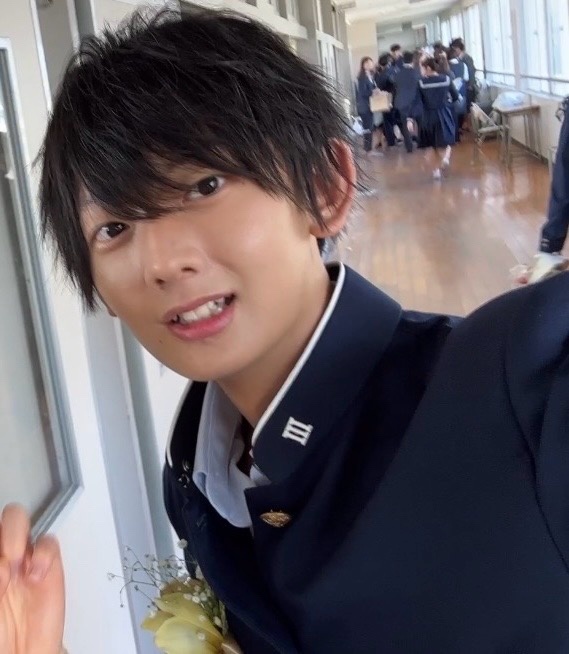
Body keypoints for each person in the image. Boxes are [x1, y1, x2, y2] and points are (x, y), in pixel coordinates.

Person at [3, 8, 569, 654]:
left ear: (325, 188)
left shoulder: (521, 388)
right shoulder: (195, 480)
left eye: (204, 185)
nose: (160, 262)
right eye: (114, 229)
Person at [418, 56, 459, 179]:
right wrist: (448, 103)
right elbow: (455, 96)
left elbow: (418, 101)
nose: (421, 71)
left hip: (428, 116)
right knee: (446, 140)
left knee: (431, 145)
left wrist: (411, 119)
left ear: (428, 68)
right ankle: (445, 158)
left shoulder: (421, 83)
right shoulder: (446, 79)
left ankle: (436, 171)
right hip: (444, 113)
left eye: (422, 68)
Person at [393, 51, 422, 153]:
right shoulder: (417, 72)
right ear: (413, 60)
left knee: (404, 124)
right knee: (419, 122)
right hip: (416, 101)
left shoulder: (398, 74)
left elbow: (395, 85)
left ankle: (409, 146)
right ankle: (421, 143)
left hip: (402, 102)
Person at [355, 57, 383, 157]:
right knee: (368, 127)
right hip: (364, 106)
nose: (371, 65)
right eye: (368, 63)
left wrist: (376, 90)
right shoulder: (362, 77)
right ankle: (368, 149)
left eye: (371, 63)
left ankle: (368, 149)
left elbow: (371, 88)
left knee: (369, 127)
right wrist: (373, 92)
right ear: (364, 65)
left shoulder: (369, 76)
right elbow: (363, 92)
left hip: (368, 106)